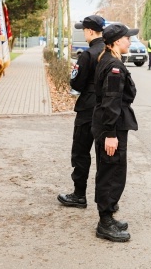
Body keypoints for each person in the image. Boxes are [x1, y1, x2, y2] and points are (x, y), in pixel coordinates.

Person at [92, 23, 138, 242]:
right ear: (118, 41)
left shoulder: (109, 60)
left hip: (109, 124)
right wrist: (111, 134)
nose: (130, 41)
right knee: (112, 173)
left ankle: (107, 215)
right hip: (112, 126)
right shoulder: (113, 67)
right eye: (128, 38)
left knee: (109, 170)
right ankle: (105, 222)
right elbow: (112, 101)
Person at [57, 15, 105, 208]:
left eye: (84, 30)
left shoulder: (87, 55)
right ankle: (106, 198)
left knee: (81, 152)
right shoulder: (109, 52)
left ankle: (79, 195)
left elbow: (76, 82)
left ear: (90, 31)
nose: (83, 33)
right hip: (106, 109)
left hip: (87, 109)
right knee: (105, 156)